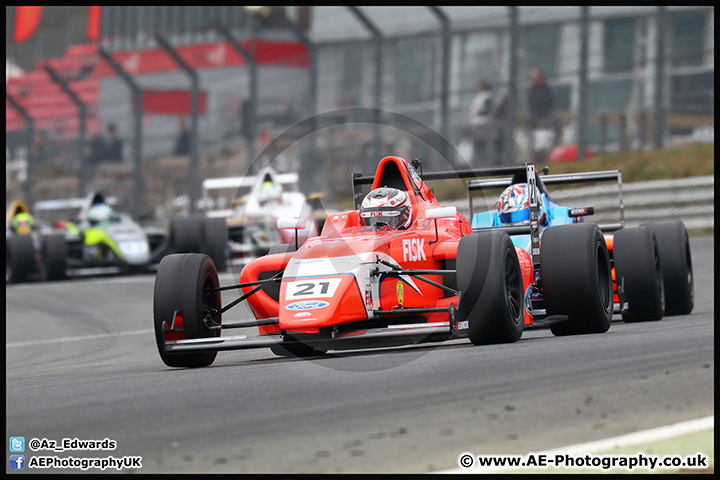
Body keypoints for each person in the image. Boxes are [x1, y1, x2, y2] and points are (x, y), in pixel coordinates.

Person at [469, 79, 495, 165]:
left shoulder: (488, 97)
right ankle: (478, 161)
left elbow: (486, 111)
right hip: (476, 124)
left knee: (483, 144)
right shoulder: (480, 96)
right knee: (477, 145)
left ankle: (485, 162)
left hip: (483, 124)